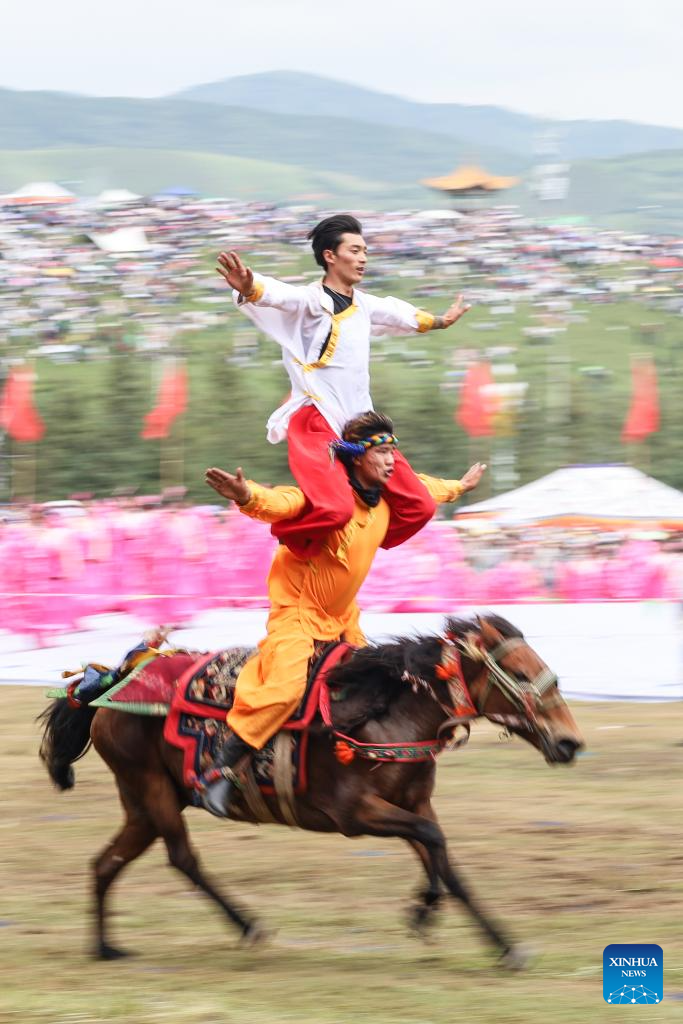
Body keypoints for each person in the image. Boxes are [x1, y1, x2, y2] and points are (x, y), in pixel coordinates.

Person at [201, 411, 486, 817]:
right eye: (382, 452)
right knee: (283, 690)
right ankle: (221, 771)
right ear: (357, 457)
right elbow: (282, 502)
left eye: (393, 452)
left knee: (379, 686)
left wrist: (460, 486)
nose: (391, 461)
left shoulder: (385, 503)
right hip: (297, 616)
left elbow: (426, 488)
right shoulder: (322, 502)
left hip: (344, 620)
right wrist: (246, 495)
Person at [217, 214, 470, 559]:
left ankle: (358, 542)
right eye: (355, 250)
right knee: (334, 510)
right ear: (330, 256)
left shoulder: (365, 305)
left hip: (361, 425)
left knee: (418, 508)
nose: (363, 258)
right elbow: (278, 295)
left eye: (365, 250)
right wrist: (249, 286)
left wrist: (441, 321)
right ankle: (291, 538)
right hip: (317, 418)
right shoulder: (309, 301)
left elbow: (400, 314)